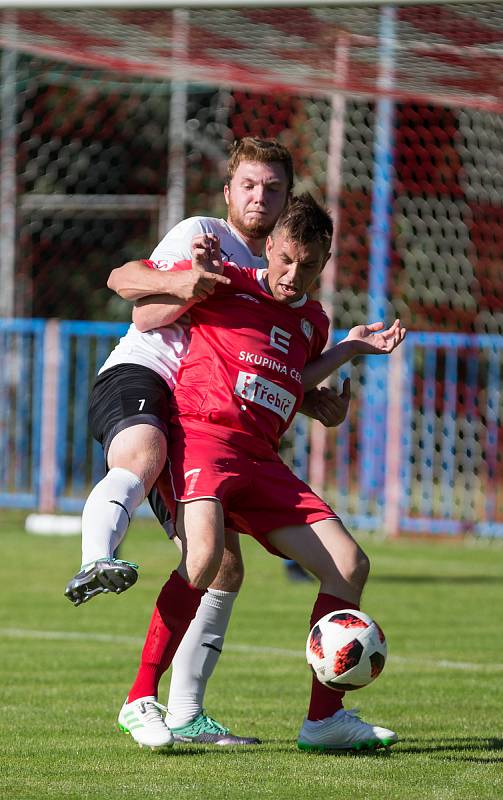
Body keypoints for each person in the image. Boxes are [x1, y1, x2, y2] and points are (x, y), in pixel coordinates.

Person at [64, 137, 349, 746]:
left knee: (221, 566)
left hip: (215, 423)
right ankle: (96, 559)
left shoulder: (280, 276)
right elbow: (133, 294)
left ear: (287, 198)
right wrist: (193, 278)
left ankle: (186, 715)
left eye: (273, 188)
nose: (259, 197)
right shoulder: (206, 235)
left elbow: (276, 368)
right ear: (228, 191)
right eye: (249, 184)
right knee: (144, 455)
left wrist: (316, 391)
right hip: (150, 378)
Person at [117, 193, 405, 752]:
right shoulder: (224, 278)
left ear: (324, 264)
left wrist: (347, 349)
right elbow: (132, 287)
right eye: (287, 259)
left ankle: (323, 720)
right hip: (203, 440)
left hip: (263, 460)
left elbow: (289, 379)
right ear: (269, 246)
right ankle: (139, 699)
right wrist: (185, 274)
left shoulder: (314, 322)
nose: (295, 275)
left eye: (310, 265)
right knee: (202, 559)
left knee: (349, 564)